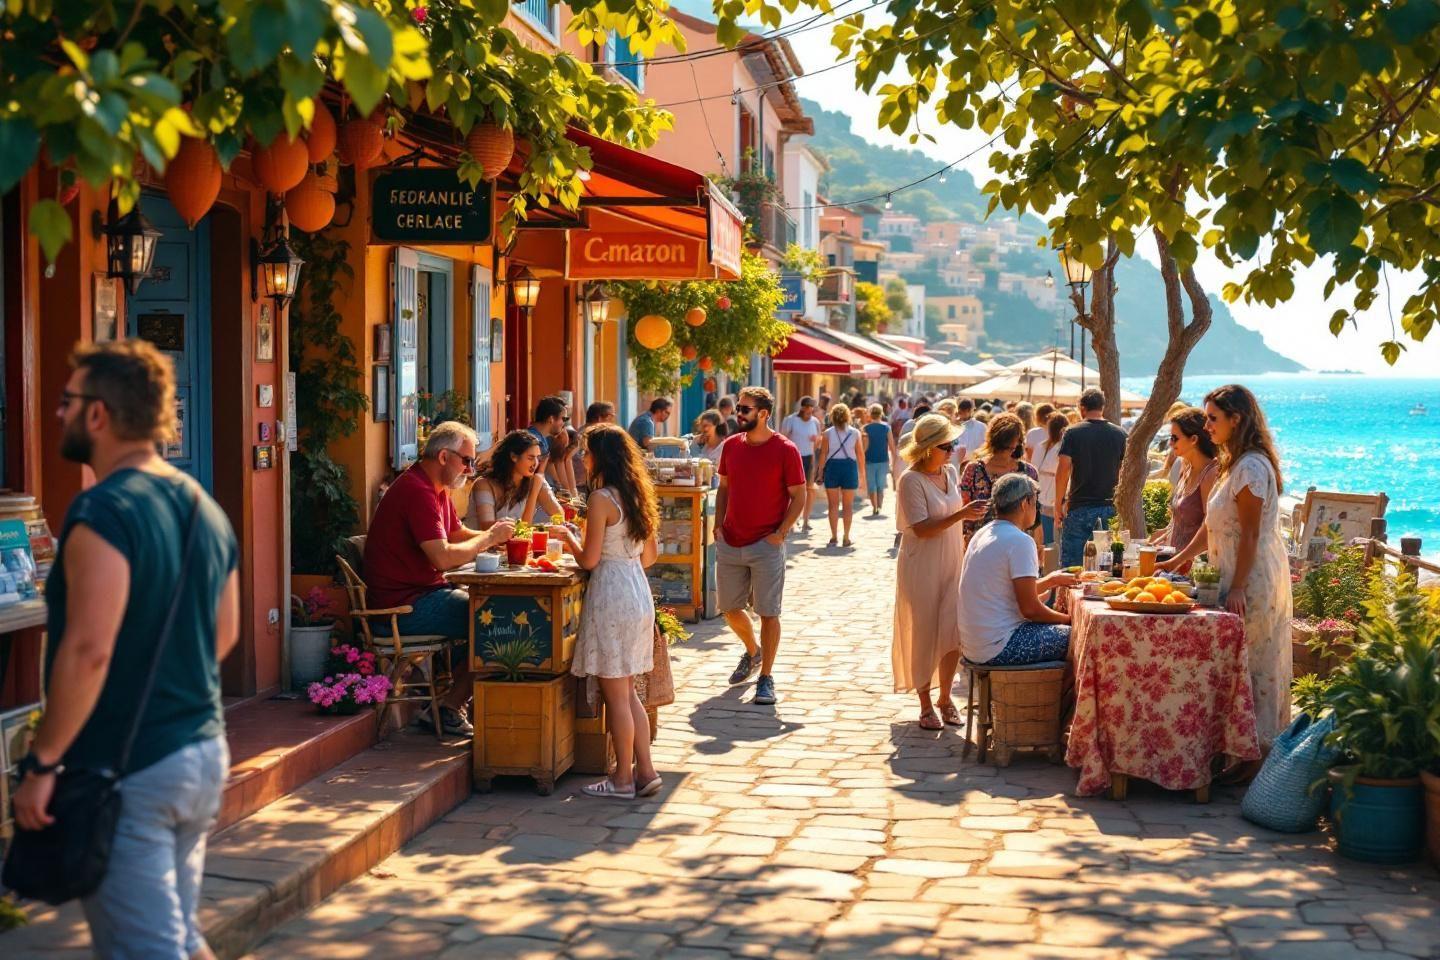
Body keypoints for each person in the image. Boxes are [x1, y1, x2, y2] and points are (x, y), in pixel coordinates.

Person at [13, 340, 239, 959]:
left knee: (147, 949)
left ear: (97, 414)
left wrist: (43, 763)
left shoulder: (104, 511)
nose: (57, 413)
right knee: (178, 938)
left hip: (128, 766)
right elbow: (224, 634)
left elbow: (88, 650)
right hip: (199, 751)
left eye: (66, 401)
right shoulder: (205, 508)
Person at [1159, 385, 1292, 749]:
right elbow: (1213, 526)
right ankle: (1236, 751)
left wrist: (1237, 587)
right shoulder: (1233, 462)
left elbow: (1249, 534)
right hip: (1232, 577)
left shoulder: (1250, 467)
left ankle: (1254, 756)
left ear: (1237, 419)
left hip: (1250, 581)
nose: (1207, 425)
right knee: (1235, 669)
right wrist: (1176, 560)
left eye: (1213, 418)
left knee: (1254, 669)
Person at [367, 422, 518, 734]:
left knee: (494, 615)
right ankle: (449, 707)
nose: (471, 468)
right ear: (444, 457)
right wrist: (490, 538)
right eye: (467, 460)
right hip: (402, 608)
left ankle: (451, 698)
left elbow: (456, 533)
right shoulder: (417, 491)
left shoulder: (432, 487)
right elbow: (443, 556)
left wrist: (503, 540)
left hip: (422, 595)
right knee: (502, 623)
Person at [562, 424, 662, 799]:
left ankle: (622, 779)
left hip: (612, 596)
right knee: (629, 691)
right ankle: (646, 771)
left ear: (599, 457)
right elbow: (650, 556)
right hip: (637, 591)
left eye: (586, 453)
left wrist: (569, 537)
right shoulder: (638, 495)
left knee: (616, 695)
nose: (583, 459)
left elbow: (589, 560)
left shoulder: (602, 498)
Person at [893, 415, 990, 730]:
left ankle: (945, 697)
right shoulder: (910, 480)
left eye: (953, 444)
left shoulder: (950, 471)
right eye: (945, 446)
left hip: (951, 560)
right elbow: (921, 528)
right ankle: (924, 702)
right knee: (925, 630)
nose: (952, 451)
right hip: (922, 564)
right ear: (926, 448)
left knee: (952, 631)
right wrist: (962, 513)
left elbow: (952, 518)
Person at [715, 386, 807, 705]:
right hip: (730, 539)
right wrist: (717, 524)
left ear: (763, 414)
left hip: (767, 541)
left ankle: (766, 677)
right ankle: (753, 652)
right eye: (738, 408)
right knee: (729, 608)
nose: (738, 414)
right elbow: (724, 487)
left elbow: (799, 495)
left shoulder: (785, 449)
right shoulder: (730, 447)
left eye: (745, 410)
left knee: (769, 612)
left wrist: (781, 532)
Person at [957, 474, 1078, 666]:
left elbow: (1003, 589)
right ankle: (1069, 695)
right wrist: (1068, 620)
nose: (1036, 509)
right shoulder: (1019, 541)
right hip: (999, 646)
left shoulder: (984, 533)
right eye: (1035, 503)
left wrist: (1050, 580)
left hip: (975, 645)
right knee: (1082, 636)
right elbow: (1030, 609)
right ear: (1025, 503)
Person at [1055, 388, 1128, 568]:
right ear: (1103, 407)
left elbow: (1063, 470)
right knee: (1106, 567)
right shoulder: (1120, 434)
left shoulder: (1072, 433)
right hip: (1109, 507)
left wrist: (1058, 504)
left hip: (1079, 506)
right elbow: (1124, 472)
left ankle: (1066, 597)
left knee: (1071, 567)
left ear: (1082, 407)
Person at [958, 413, 1040, 545]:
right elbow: (963, 509)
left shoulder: (1029, 472)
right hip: (980, 543)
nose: (1006, 452)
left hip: (1018, 543)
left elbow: (1035, 514)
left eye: (1011, 447)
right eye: (1004, 446)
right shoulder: (973, 470)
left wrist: (1037, 544)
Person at [1150, 407, 1218, 560]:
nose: (1170, 443)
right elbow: (1179, 523)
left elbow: (1210, 528)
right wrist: (1156, 539)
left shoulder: (1211, 474)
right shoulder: (1185, 467)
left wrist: (1177, 561)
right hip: (1173, 561)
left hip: (1193, 565)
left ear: (1193, 439)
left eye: (1174, 438)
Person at [469, 429, 566, 528]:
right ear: (514, 457)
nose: (536, 463)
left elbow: (559, 517)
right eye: (530, 458)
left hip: (514, 543)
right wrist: (534, 493)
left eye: (538, 457)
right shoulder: (484, 485)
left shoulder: (534, 481)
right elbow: (487, 528)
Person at [817, 402, 864, 548]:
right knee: (848, 506)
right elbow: (860, 455)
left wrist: (820, 473)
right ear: (847, 416)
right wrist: (862, 474)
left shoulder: (827, 433)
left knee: (833, 505)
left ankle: (833, 537)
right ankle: (846, 537)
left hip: (832, 468)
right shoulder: (855, 433)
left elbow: (823, 454)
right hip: (849, 468)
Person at [779, 396, 823, 532]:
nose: (810, 411)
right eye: (808, 408)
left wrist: (816, 440)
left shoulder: (815, 422)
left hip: (809, 458)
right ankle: (791, 521)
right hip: (793, 458)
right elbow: (782, 437)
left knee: (809, 490)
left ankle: (806, 520)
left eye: (812, 408)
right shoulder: (791, 420)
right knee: (792, 490)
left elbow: (819, 440)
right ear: (802, 408)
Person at [1034, 412, 1068, 547]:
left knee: (1046, 536)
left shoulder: (1043, 446)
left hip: (1044, 492)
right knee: (1049, 536)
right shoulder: (1048, 446)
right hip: (1050, 492)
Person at [529, 395, 572, 493]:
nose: (564, 424)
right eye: (564, 419)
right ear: (551, 419)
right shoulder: (533, 440)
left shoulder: (543, 438)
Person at [863, 403, 898, 517]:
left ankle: (874, 507)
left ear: (870, 414)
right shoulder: (886, 428)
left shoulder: (866, 428)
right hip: (883, 460)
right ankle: (879, 505)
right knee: (880, 485)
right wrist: (895, 459)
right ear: (881, 414)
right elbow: (892, 446)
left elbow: (863, 447)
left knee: (871, 485)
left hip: (869, 460)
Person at [574, 402, 617, 491]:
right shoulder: (589, 435)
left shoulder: (587, 432)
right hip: (583, 486)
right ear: (599, 418)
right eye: (610, 417)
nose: (613, 421)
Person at [690, 409, 727, 484]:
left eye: (706, 426)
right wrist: (694, 443)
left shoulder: (724, 447)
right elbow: (690, 464)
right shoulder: (699, 445)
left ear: (716, 425)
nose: (703, 429)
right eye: (702, 426)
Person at [952, 398, 988, 465]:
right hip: (956, 463)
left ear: (971, 410)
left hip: (975, 463)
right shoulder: (952, 426)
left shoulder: (981, 427)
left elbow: (985, 446)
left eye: (966, 410)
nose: (964, 413)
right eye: (961, 411)